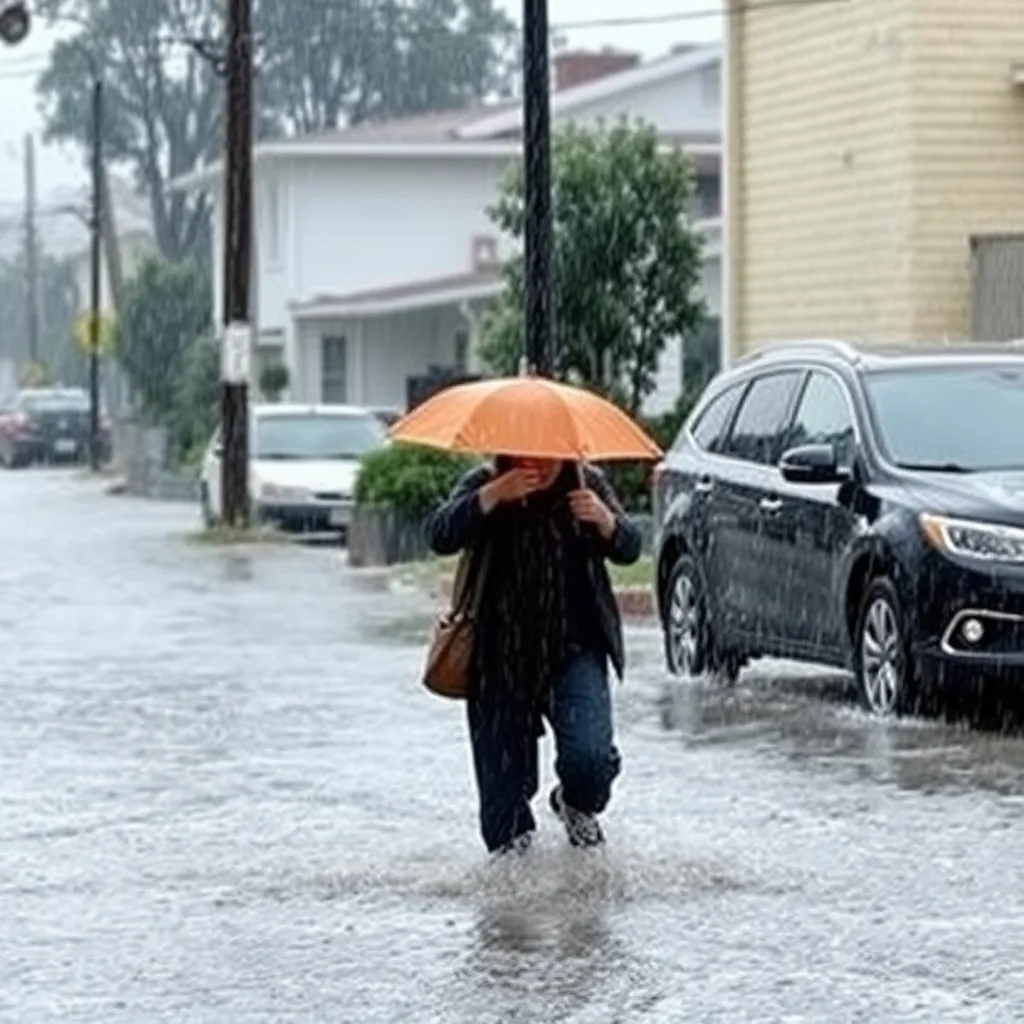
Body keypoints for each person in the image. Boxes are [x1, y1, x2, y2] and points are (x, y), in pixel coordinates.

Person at [425, 456, 642, 855]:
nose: (535, 459)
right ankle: (513, 888)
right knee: (503, 814)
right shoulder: (485, 480)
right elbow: (439, 535)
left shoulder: (586, 481)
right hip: (498, 659)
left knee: (590, 760)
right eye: (523, 450)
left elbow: (630, 548)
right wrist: (491, 496)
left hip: (574, 651)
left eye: (545, 451)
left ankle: (573, 804)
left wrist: (605, 520)